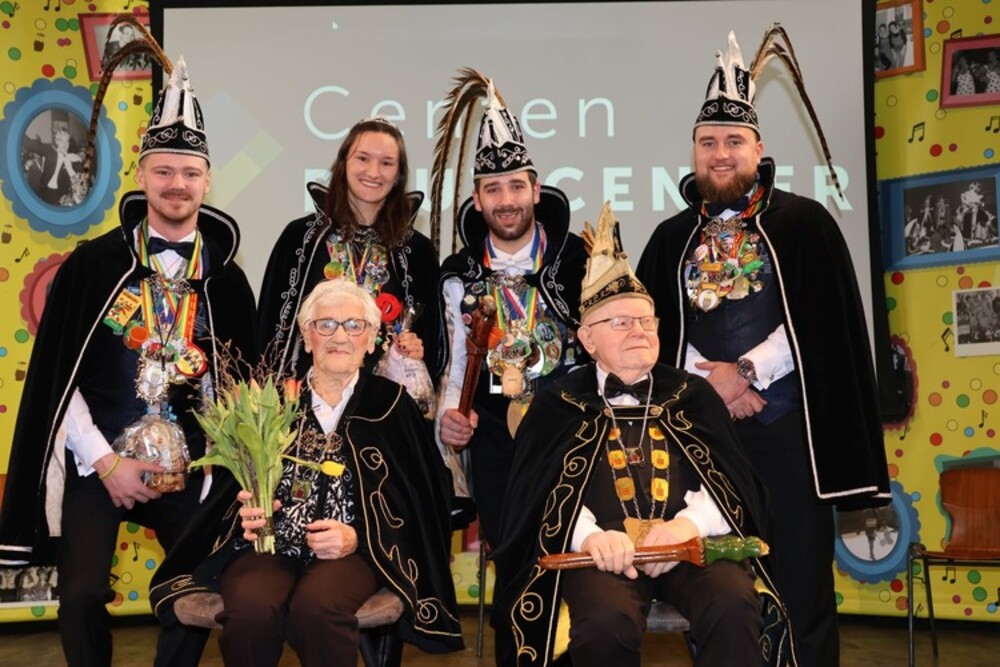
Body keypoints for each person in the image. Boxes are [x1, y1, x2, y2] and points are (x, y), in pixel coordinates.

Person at [637, 28, 890, 667]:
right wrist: (709, 383)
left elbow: (822, 321)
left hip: (789, 439)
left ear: (758, 148)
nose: (720, 155)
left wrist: (746, 372)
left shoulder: (805, 223)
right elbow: (645, 336)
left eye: (733, 141)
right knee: (715, 592)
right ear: (694, 151)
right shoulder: (668, 238)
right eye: (708, 143)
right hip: (701, 441)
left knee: (801, 591)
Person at [0, 53, 257, 667]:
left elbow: (238, 391)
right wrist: (105, 461)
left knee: (193, 588)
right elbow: (58, 378)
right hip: (101, 461)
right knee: (81, 594)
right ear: (141, 176)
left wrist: (213, 475)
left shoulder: (227, 281)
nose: (176, 184)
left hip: (192, 471)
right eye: (163, 171)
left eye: (189, 173)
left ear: (207, 182)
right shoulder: (91, 265)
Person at [492, 203, 790, 667]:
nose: (639, 332)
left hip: (692, 549)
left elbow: (734, 486)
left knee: (733, 606)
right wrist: (589, 537)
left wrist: (687, 527)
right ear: (587, 340)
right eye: (621, 322)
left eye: (646, 321)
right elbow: (535, 497)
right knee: (603, 624)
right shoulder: (557, 404)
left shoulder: (693, 396)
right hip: (601, 558)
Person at [150, 279, 463, 665]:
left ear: (371, 340)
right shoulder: (268, 401)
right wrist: (245, 511)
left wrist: (357, 535)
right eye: (325, 324)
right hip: (266, 548)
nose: (339, 336)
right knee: (250, 610)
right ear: (307, 336)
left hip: (352, 555)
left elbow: (419, 500)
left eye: (354, 325)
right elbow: (229, 491)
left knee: (317, 610)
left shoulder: (392, 405)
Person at [430, 70, 588, 547]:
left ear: (536, 192)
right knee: (511, 553)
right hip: (495, 436)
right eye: (493, 189)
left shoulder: (580, 258)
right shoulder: (458, 274)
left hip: (574, 428)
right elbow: (456, 362)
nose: (506, 201)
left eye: (516, 187)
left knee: (579, 551)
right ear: (476, 201)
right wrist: (450, 417)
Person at [257, 117, 443, 389]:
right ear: (344, 164)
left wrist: (415, 348)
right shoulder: (300, 239)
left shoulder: (417, 251)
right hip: (306, 401)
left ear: (398, 176)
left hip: (387, 404)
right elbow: (270, 331)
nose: (373, 172)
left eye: (387, 163)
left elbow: (433, 342)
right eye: (363, 158)